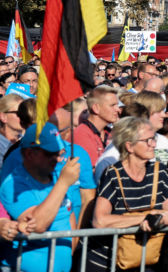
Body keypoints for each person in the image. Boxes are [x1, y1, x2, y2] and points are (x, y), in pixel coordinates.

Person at [87, 117, 168, 271]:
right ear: (129, 146)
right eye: (148, 140)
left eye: (154, 139)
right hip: (106, 262)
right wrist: (144, 219)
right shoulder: (112, 174)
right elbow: (100, 221)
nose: (154, 144)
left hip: (145, 260)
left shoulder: (159, 171)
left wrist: (160, 220)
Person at [0, 123, 80, 272]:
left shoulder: (56, 175)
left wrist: (70, 252)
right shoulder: (13, 185)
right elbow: (38, 225)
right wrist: (63, 183)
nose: (57, 159)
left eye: (59, 153)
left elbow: (69, 214)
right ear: (30, 154)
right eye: (51, 154)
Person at [77, 87, 122, 164]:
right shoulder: (81, 134)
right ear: (96, 108)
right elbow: (96, 171)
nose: (118, 109)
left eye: (117, 105)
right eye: (112, 105)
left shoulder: (112, 132)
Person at [0, 94, 23, 169]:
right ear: (3, 117)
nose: (24, 116)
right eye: (19, 113)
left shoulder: (27, 140)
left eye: (26, 112)